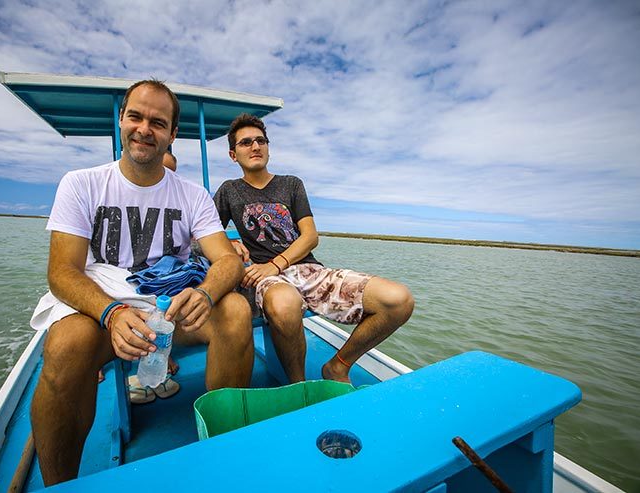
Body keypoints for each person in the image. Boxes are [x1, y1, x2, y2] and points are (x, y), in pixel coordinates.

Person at [29, 80, 252, 486]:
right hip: (104, 305)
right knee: (65, 345)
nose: (144, 129)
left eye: (157, 122)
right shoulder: (81, 184)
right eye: (135, 116)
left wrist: (205, 291)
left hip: (171, 310)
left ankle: (221, 452)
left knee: (234, 310)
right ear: (121, 120)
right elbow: (62, 272)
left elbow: (226, 262)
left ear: (171, 134)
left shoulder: (193, 195)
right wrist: (111, 313)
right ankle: (60, 483)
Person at [214, 114, 414, 384]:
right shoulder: (229, 191)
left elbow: (309, 236)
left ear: (268, 147)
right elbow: (206, 235)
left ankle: (338, 365)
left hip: (307, 270)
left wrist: (278, 263)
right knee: (284, 305)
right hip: (266, 277)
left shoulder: (291, 184)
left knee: (399, 300)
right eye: (246, 142)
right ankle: (300, 385)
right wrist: (230, 243)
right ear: (233, 154)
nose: (255, 146)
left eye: (261, 140)